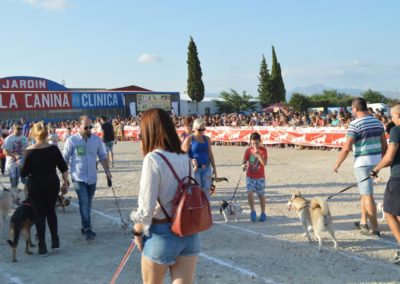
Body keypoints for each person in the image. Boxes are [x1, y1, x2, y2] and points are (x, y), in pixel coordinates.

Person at [130, 108, 199, 284]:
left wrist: (137, 231)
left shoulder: (153, 159)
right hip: (188, 233)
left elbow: (146, 209)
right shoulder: (185, 157)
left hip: (162, 234)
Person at [333, 97, 387, 237]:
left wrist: (337, 163)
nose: (352, 110)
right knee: (364, 192)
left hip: (362, 163)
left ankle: (374, 227)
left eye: (352, 108)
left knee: (367, 195)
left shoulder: (355, 124)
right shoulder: (378, 122)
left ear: (355, 108)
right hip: (376, 162)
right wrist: (381, 162)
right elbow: (384, 145)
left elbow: (346, 148)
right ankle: (363, 220)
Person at [21, 122, 69, 256]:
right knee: (51, 212)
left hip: (35, 185)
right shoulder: (53, 149)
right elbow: (63, 168)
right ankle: (55, 240)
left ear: (34, 134)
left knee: (39, 215)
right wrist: (65, 182)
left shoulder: (29, 151)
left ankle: (42, 246)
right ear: (47, 134)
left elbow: (23, 173)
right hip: (52, 184)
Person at [63, 116, 112, 241]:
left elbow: (102, 156)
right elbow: (65, 159)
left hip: (92, 177)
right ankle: (87, 228)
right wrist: (65, 178)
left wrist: (107, 171)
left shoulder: (96, 140)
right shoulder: (72, 140)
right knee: (84, 201)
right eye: (86, 127)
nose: (89, 129)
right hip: (78, 177)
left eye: (91, 127)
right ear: (79, 126)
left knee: (88, 202)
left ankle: (85, 224)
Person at [371, 104, 400, 263]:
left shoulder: (396, 130)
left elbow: (389, 157)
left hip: (398, 178)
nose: (391, 119)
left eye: (393, 115)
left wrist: (375, 170)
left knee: (389, 211)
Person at [182, 118, 217, 198]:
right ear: (194, 128)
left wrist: (214, 168)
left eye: (203, 129)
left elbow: (210, 154)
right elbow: (182, 156)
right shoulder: (189, 139)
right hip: (195, 169)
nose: (202, 132)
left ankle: (206, 209)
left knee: (206, 191)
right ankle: (198, 209)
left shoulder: (207, 139)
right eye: (199, 129)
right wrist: (191, 160)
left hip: (207, 168)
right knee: (196, 191)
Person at [241, 132, 268, 222]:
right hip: (250, 176)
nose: (254, 145)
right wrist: (243, 165)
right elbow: (244, 161)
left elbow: (264, 163)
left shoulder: (263, 150)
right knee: (249, 193)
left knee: (261, 195)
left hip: (260, 177)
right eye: (252, 143)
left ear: (260, 142)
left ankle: (263, 212)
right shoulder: (248, 151)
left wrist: (259, 155)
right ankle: (253, 211)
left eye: (256, 143)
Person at [2, 122, 29, 191]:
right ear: (13, 129)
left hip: (23, 163)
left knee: (26, 181)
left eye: (21, 128)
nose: (20, 130)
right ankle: (14, 198)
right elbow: (4, 151)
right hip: (12, 164)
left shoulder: (24, 138)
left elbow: (27, 149)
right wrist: (14, 155)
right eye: (18, 128)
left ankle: (27, 197)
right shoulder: (8, 139)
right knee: (14, 183)